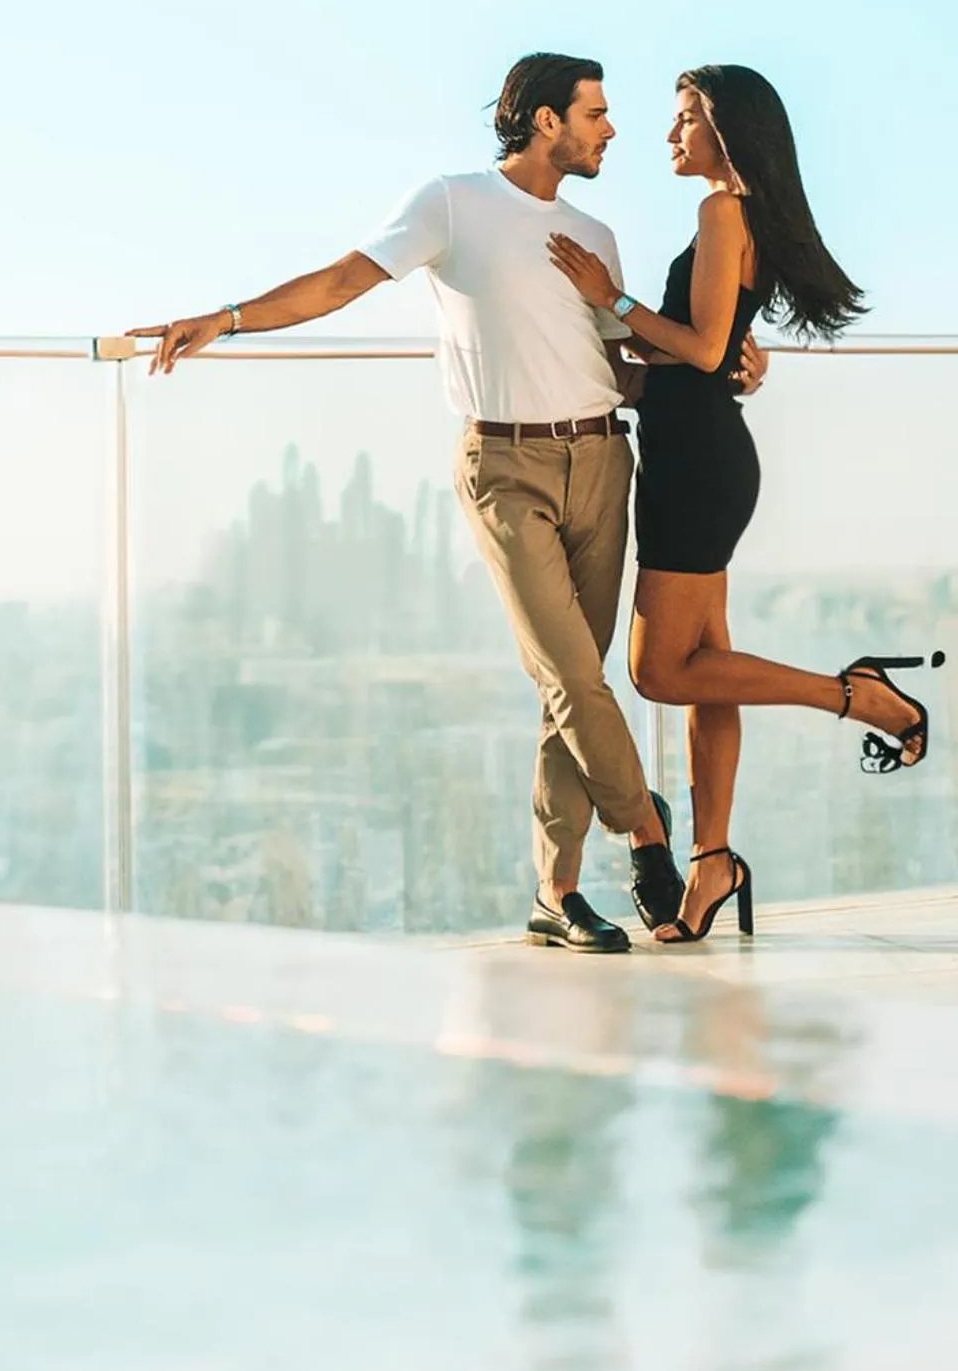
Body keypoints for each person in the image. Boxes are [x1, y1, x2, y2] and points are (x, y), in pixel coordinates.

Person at [127, 52, 765, 954]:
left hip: (602, 460)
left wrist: (728, 365)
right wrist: (224, 319)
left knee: (569, 688)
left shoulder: (593, 237)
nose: (611, 130)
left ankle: (555, 894)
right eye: (595, 114)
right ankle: (646, 835)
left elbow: (623, 366)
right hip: (504, 468)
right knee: (570, 677)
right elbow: (342, 280)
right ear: (546, 121)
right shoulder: (453, 203)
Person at [547, 64, 944, 945]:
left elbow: (700, 347)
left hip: (695, 467)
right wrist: (625, 353)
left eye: (685, 117)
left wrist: (608, 298)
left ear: (725, 130)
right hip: (694, 452)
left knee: (659, 673)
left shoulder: (721, 211)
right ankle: (711, 863)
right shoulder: (738, 213)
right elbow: (706, 353)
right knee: (705, 666)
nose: (669, 134)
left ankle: (855, 696)